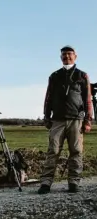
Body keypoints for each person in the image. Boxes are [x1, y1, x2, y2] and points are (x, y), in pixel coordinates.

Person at [39, 45, 93, 194]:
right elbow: (48, 97)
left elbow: (87, 99)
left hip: (76, 120)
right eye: (64, 55)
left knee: (76, 151)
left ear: (75, 56)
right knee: (53, 151)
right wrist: (46, 116)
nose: (66, 57)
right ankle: (46, 182)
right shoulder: (54, 76)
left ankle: (74, 182)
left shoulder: (82, 76)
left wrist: (88, 120)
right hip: (57, 120)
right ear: (60, 57)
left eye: (69, 54)